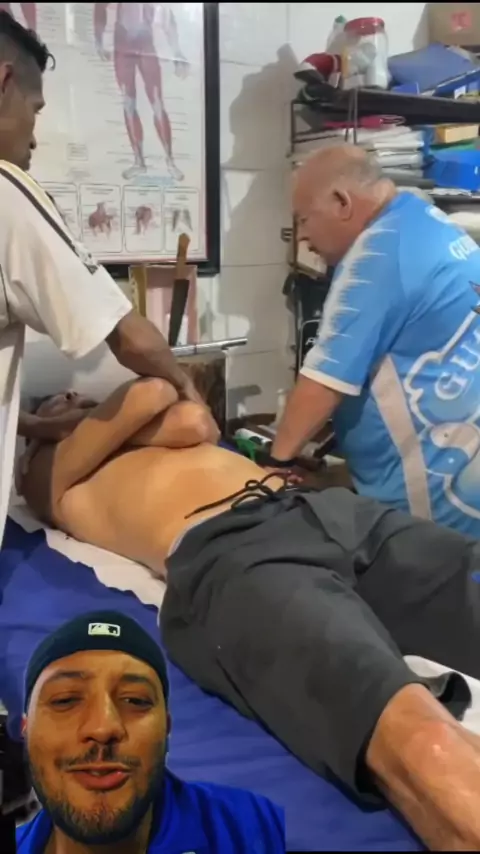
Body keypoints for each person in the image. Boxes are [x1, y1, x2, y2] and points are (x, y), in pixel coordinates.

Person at [17, 376, 480, 851]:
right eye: (55, 396)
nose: (71, 394)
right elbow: (150, 394)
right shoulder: (45, 471)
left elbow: (192, 419)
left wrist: (91, 421)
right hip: (233, 548)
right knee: (423, 740)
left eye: (77, 396)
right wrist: (40, 426)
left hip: (325, 509)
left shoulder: (149, 434)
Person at [0, 12, 201, 546]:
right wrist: (188, 389)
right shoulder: (4, 190)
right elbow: (129, 338)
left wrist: (37, 426)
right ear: (3, 82)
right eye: (35, 110)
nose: (34, 137)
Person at [267, 143, 480, 537]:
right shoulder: (424, 218)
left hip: (434, 511)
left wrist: (275, 464)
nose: (304, 236)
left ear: (341, 202)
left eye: (304, 219)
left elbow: (324, 382)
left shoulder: (376, 255)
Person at [16, 609, 285, 853]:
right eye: (65, 700)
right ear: (25, 728)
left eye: (135, 700)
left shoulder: (259, 825)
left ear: (167, 727)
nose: (103, 727)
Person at [94, 3, 187, 182]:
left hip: (144, 42)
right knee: (128, 103)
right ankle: (139, 161)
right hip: (123, 43)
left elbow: (167, 17)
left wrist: (177, 52)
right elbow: (100, 7)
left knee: (157, 102)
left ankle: (170, 160)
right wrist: (98, 40)